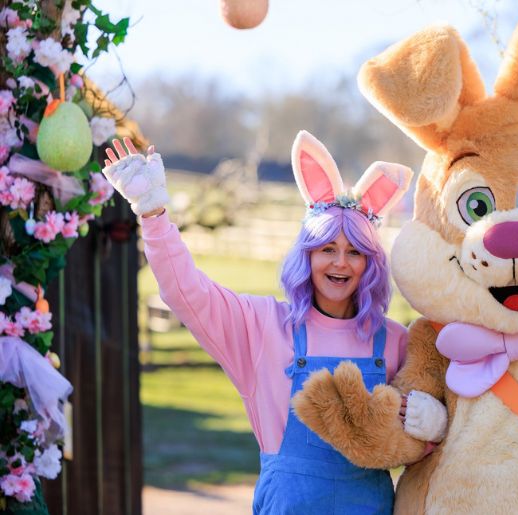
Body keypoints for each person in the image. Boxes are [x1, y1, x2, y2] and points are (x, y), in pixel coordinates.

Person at [102, 135, 446, 514]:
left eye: (355, 252)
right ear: (307, 254)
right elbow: (187, 292)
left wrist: (433, 425)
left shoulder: (394, 340)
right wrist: (153, 214)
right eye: (327, 249)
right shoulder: (264, 326)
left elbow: (430, 432)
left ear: (370, 263)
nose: (340, 263)